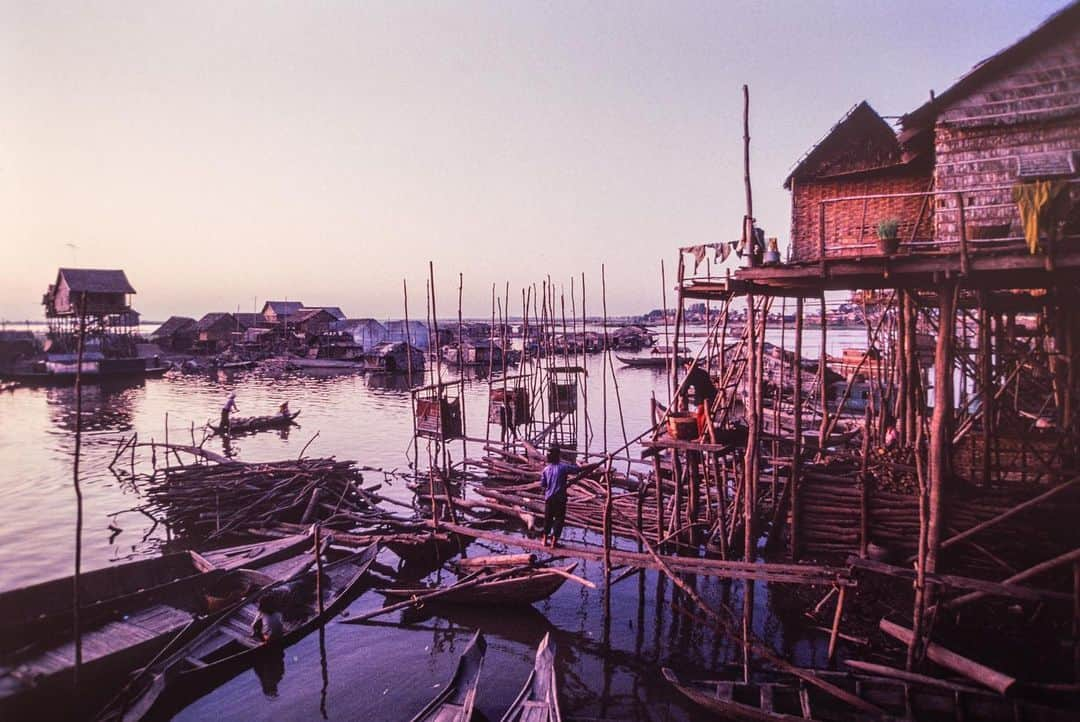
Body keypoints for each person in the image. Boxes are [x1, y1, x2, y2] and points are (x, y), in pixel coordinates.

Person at [540, 444, 602, 548]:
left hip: (549, 498)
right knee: (559, 519)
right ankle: (554, 542)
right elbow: (578, 469)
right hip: (560, 498)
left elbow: (543, 485)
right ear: (558, 456)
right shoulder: (563, 467)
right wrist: (593, 465)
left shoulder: (546, 470)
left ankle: (545, 540)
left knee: (548, 519)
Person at [681, 360, 718, 434]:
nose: (687, 368)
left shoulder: (692, 374)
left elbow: (685, 386)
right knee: (705, 415)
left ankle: (701, 435)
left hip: (704, 396)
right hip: (712, 395)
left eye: (687, 367)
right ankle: (707, 433)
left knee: (700, 416)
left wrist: (681, 397)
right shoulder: (703, 372)